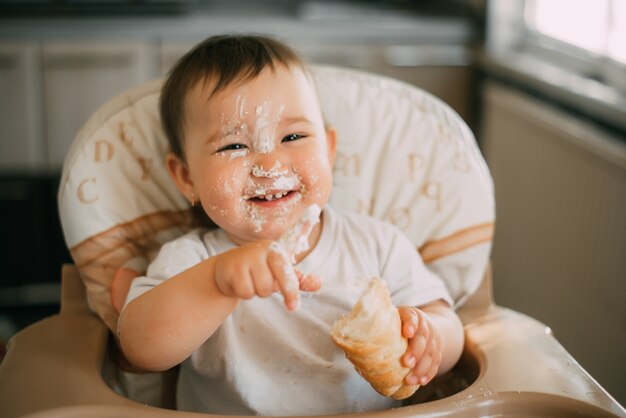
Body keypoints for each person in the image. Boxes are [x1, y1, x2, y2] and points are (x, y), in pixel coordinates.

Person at [117, 34, 464, 416]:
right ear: (185, 178)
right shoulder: (192, 259)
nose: (269, 164)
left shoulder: (378, 245)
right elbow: (141, 349)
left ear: (329, 152)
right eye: (234, 146)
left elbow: (448, 321)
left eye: (294, 136)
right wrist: (217, 281)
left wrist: (430, 337)